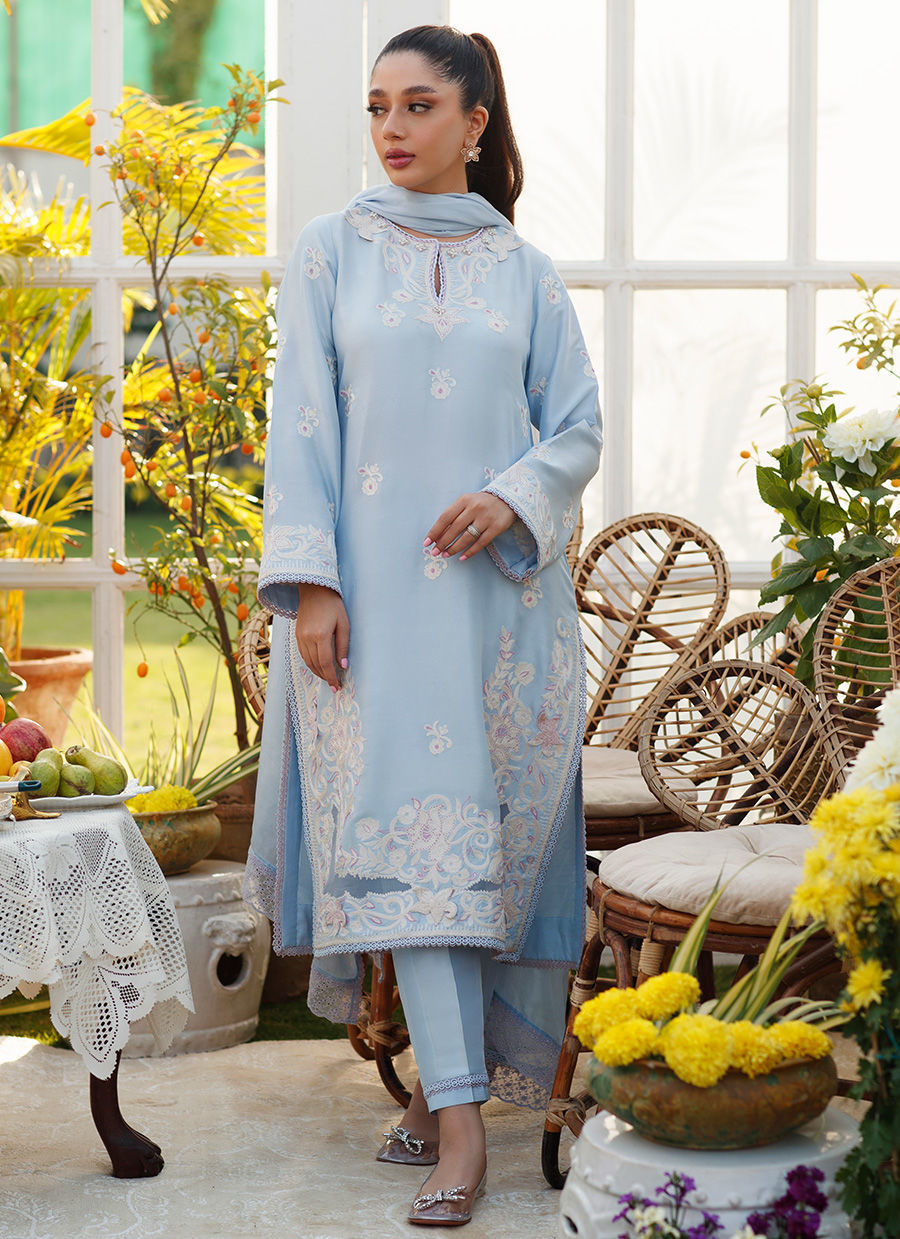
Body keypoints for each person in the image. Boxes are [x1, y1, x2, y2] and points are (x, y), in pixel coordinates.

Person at [244, 24, 602, 1227]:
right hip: (374, 614)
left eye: (418, 106)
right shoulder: (330, 250)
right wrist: (314, 584)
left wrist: (513, 495)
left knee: (482, 855)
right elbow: (301, 422)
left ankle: (443, 1095)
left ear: (474, 125)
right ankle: (460, 1126)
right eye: (377, 107)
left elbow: (578, 427)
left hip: (502, 614)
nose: (391, 129)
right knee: (419, 849)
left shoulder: (525, 272)